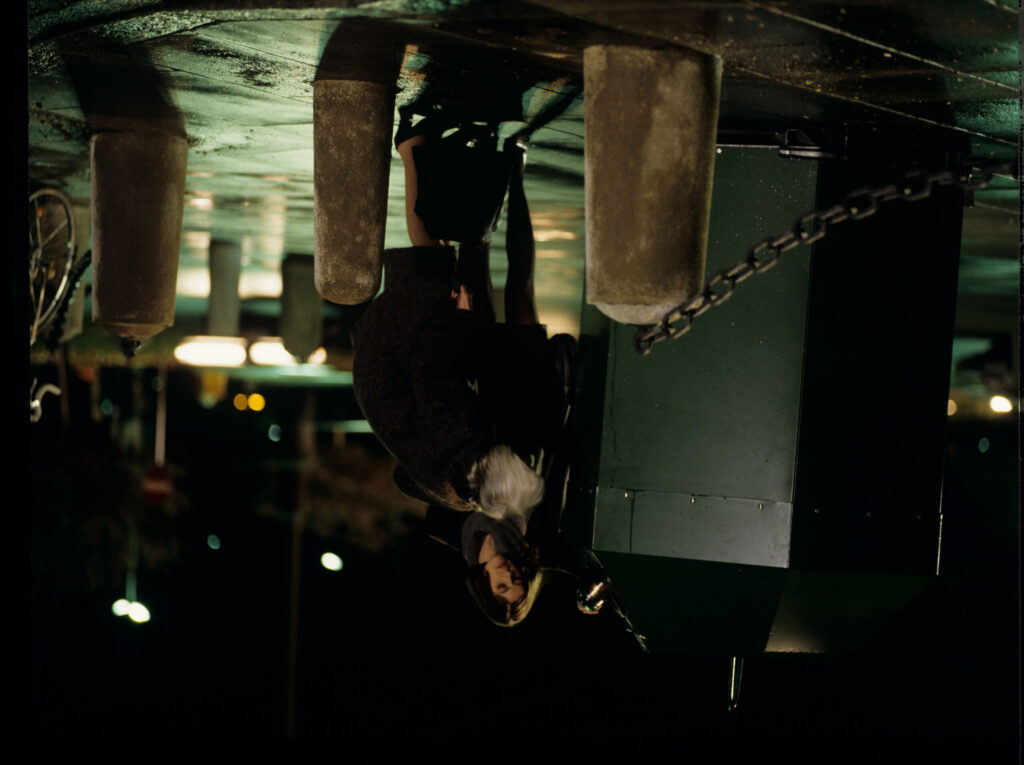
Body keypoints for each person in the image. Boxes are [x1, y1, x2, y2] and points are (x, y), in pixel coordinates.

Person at [351, 113, 574, 622]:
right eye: (521, 585)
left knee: (445, 266)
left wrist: (457, 320)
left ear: (483, 579)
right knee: (506, 278)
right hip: (507, 391)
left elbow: (432, 381)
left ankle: (422, 151)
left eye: (502, 585)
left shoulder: (459, 492)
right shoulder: (513, 525)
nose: (513, 577)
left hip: (417, 364)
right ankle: (503, 168)